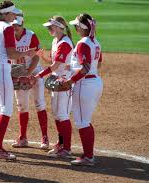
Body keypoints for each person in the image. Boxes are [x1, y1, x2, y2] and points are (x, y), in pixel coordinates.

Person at [0, 0, 36, 160]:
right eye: (13, 12)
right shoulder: (6, 28)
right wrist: (27, 52)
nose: (15, 15)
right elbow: (12, 53)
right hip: (1, 69)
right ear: (6, 14)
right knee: (6, 109)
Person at [61, 13, 103, 166]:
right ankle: (88, 154)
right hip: (95, 82)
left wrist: (70, 80)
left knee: (82, 121)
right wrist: (72, 67)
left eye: (76, 26)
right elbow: (96, 64)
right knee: (85, 120)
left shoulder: (82, 43)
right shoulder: (95, 42)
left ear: (81, 27)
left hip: (84, 84)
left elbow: (84, 69)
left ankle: (88, 157)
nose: (75, 28)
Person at [36, 16, 74, 158]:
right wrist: (43, 56)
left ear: (59, 27)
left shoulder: (65, 43)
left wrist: (38, 76)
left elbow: (56, 66)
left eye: (50, 27)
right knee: (57, 115)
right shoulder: (55, 41)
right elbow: (54, 61)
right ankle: (61, 143)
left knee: (62, 115)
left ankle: (67, 148)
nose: (48, 29)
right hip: (56, 82)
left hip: (65, 82)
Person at [10, 11, 49, 149]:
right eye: (13, 26)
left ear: (22, 24)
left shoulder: (30, 36)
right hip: (18, 73)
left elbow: (36, 57)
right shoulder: (8, 37)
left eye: (17, 26)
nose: (15, 28)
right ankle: (23, 138)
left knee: (39, 103)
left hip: (34, 71)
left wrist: (28, 73)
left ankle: (44, 138)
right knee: (22, 106)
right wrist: (18, 74)